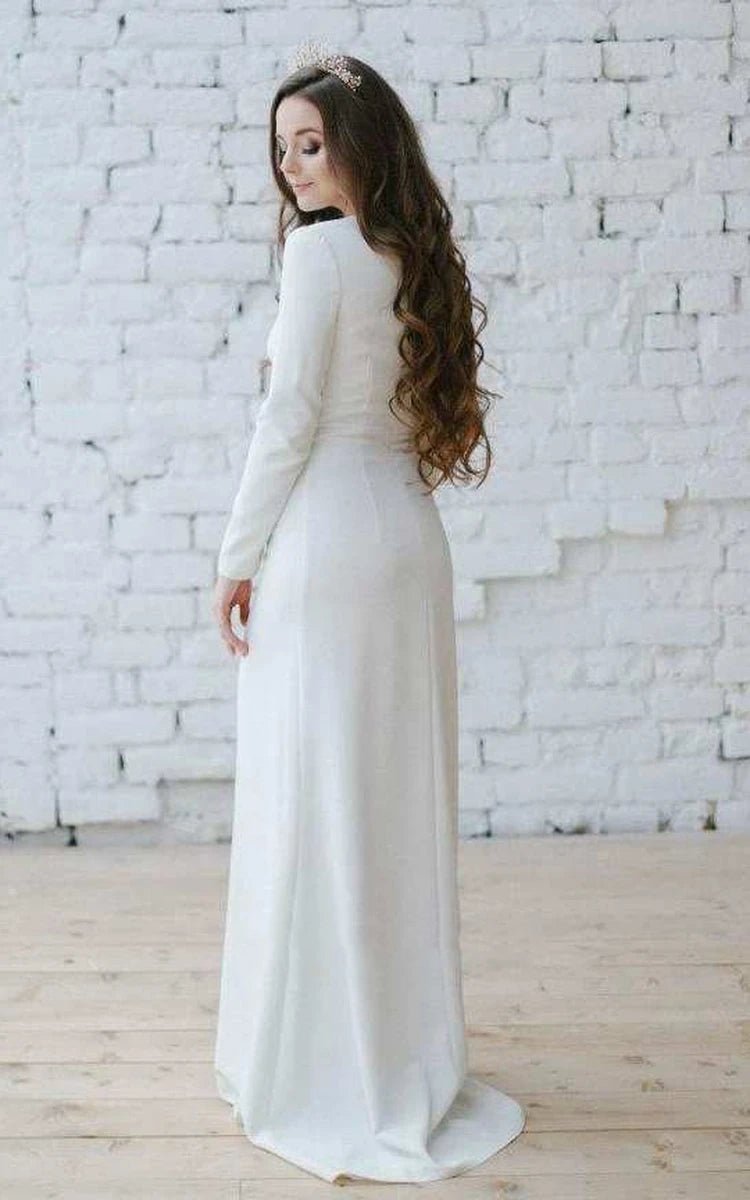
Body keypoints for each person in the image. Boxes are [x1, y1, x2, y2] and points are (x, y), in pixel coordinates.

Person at [211, 40, 525, 1185]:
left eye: (313, 144)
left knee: (317, 801)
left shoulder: (320, 258)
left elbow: (288, 421)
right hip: (408, 545)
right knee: (391, 803)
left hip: (326, 550)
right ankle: (399, 1055)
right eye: (283, 148)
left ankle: (322, 1065)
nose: (293, 166)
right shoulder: (414, 255)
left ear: (361, 146)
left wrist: (234, 558)